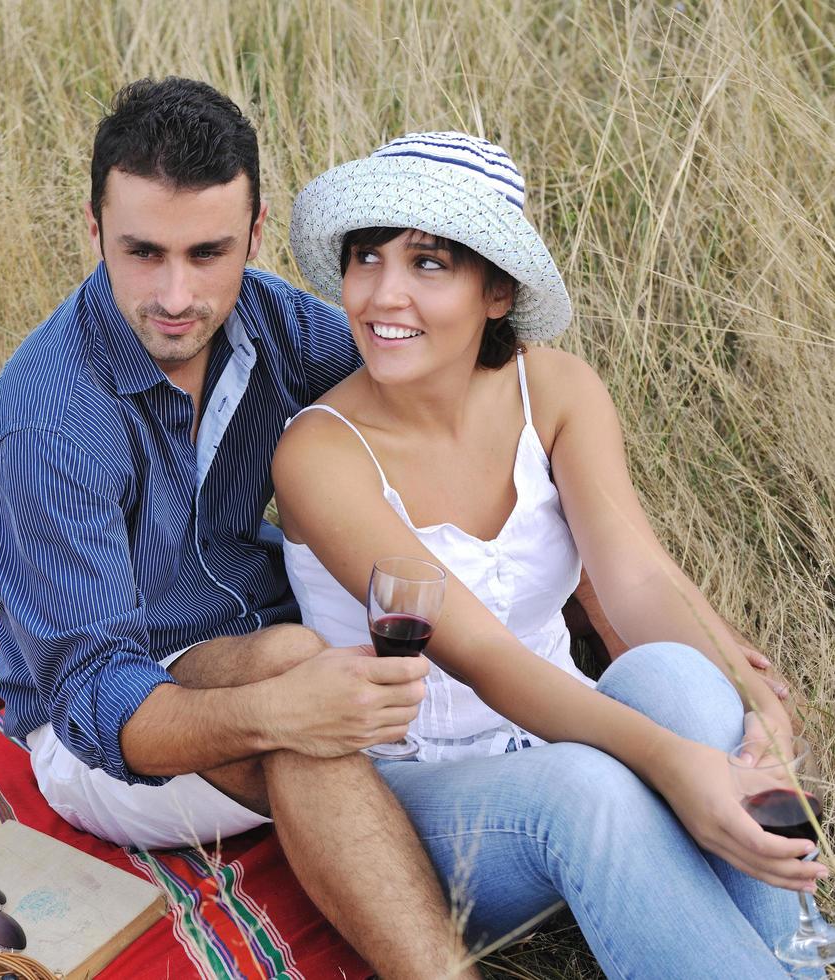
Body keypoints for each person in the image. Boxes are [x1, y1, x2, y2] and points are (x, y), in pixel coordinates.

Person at [0, 78, 481, 977]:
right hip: (108, 729)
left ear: (255, 232)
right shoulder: (37, 424)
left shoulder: (272, 324)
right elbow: (93, 702)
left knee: (347, 649)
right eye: (142, 253)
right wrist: (277, 710)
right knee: (298, 682)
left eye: (207, 252)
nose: (175, 294)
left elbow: (447, 395)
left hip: (273, 638)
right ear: (94, 233)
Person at [278, 131, 821, 976]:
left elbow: (636, 574)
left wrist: (756, 706)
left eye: (429, 264)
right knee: (588, 789)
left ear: (498, 290)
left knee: (678, 678)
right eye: (367, 257)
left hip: (569, 731)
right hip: (427, 795)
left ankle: (795, 959)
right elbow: (483, 656)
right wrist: (674, 764)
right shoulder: (321, 454)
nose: (383, 293)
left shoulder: (558, 389)